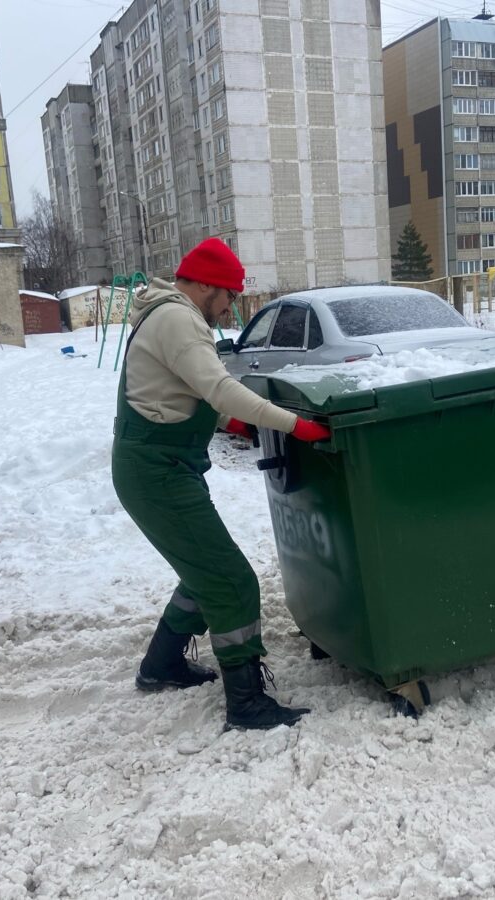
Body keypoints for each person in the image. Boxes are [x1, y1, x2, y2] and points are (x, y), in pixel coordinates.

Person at [112, 238, 331, 729]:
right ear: (208, 285)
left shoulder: (166, 315)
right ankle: (247, 703)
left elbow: (174, 394)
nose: (230, 307)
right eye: (229, 296)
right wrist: (295, 425)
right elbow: (220, 388)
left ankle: (161, 665)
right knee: (231, 581)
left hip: (159, 467)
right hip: (158, 473)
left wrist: (229, 424)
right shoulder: (179, 319)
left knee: (203, 571)